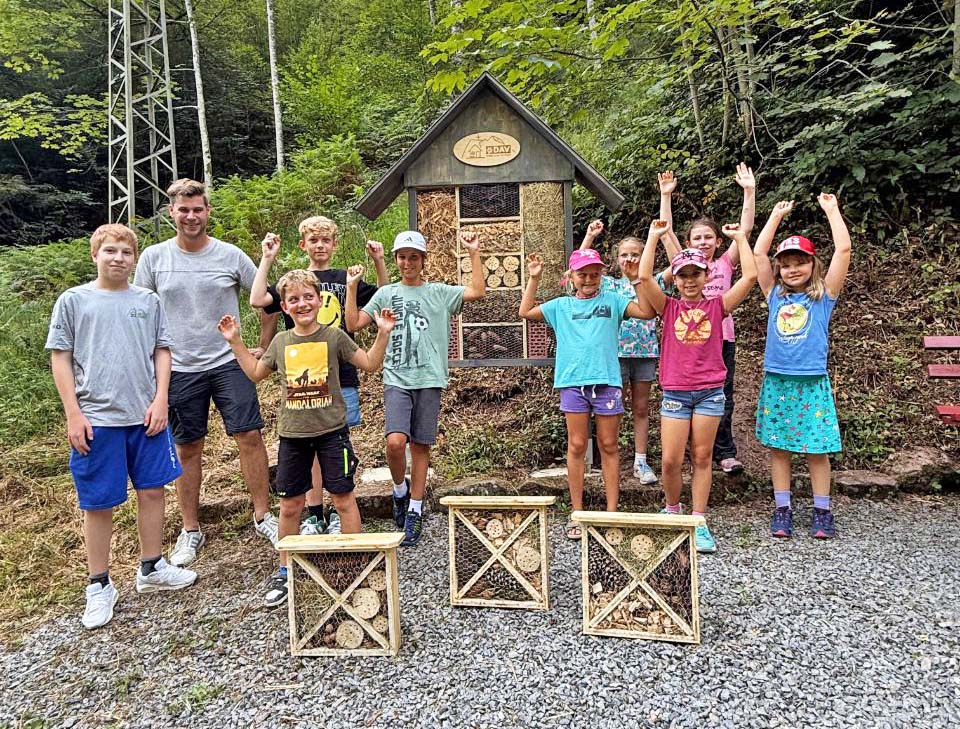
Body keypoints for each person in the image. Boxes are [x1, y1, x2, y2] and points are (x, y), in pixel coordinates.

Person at [47, 224, 197, 629]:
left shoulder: (147, 300)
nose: (118, 258)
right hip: (97, 420)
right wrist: (73, 413)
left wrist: (161, 399)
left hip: (145, 416)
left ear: (135, 258)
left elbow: (162, 350)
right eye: (110, 250)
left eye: (126, 252)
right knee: (99, 502)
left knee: (153, 490)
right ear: (95, 255)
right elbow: (60, 357)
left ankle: (152, 566)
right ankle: (99, 584)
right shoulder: (74, 300)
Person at [218, 269, 395, 606]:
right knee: (290, 506)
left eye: (308, 297)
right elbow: (255, 374)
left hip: (333, 434)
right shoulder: (281, 342)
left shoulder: (334, 336)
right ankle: (286, 571)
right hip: (293, 437)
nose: (302, 304)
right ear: (284, 307)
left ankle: (353, 565)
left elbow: (370, 363)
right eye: (294, 299)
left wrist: (383, 333)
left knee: (343, 499)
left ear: (320, 300)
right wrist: (235, 341)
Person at [133, 178, 277, 567]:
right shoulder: (154, 259)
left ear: (207, 211)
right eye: (184, 210)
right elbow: (140, 314)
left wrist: (263, 346)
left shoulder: (230, 255)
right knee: (187, 446)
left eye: (198, 209)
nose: (191, 216)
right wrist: (149, 367)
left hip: (229, 361)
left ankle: (263, 515)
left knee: (249, 435)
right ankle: (190, 529)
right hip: (179, 366)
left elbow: (267, 301)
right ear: (171, 212)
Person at [346, 229, 486, 547]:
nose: (407, 263)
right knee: (395, 443)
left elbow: (477, 291)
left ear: (423, 260)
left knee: (421, 446)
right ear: (396, 260)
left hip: (430, 378)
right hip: (396, 377)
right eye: (402, 257)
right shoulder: (386, 293)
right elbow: (353, 324)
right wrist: (352, 287)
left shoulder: (438, 292)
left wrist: (474, 252)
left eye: (413, 257)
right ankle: (400, 490)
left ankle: (415, 509)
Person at [250, 217, 388, 535]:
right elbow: (258, 299)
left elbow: (383, 296)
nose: (320, 246)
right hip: (301, 378)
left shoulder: (343, 277)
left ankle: (339, 508)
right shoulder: (294, 283)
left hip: (341, 373)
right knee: (308, 446)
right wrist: (267, 257)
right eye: (313, 240)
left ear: (334, 245)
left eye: (326, 240)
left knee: (335, 442)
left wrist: (379, 261)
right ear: (303, 245)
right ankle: (315, 513)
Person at [636, 219, 757, 553]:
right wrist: (653, 237)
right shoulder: (668, 307)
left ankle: (699, 520)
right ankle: (672, 509)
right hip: (676, 392)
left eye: (696, 274)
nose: (689, 281)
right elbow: (644, 277)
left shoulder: (719, 306)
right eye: (683, 275)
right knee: (670, 461)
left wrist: (740, 239)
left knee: (702, 457)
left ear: (707, 276)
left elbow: (749, 277)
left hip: (709, 392)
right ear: (675, 279)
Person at [519, 247, 654, 539]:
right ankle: (577, 513)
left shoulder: (613, 301)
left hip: (607, 381)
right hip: (572, 382)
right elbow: (525, 311)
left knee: (609, 445)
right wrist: (534, 278)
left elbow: (646, 312)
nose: (589, 279)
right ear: (571, 276)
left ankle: (612, 513)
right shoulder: (561, 306)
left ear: (601, 275)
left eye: (594, 274)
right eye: (583, 274)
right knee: (577, 445)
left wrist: (636, 280)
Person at [752, 194, 851, 539]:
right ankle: (783, 508)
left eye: (800, 263)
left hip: (812, 382)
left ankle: (822, 511)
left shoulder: (823, 296)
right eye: (786, 264)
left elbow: (843, 251)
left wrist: (832, 211)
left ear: (813, 264)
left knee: (817, 450)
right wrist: (775, 217)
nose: (793, 269)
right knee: (780, 448)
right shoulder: (774, 295)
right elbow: (758, 254)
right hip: (778, 380)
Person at [658, 164, 756, 474]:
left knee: (723, 394)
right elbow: (665, 233)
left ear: (717, 241)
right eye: (697, 238)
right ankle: (693, 449)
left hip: (721, 338)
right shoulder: (685, 265)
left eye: (708, 237)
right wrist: (665, 196)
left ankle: (724, 452)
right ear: (689, 243)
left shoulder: (725, 263)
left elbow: (745, 232)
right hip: (688, 342)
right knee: (689, 395)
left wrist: (749, 191)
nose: (702, 242)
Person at [579, 219, 681, 485]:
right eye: (624, 255)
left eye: (635, 254)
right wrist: (590, 237)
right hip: (614, 355)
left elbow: (678, 265)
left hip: (645, 353)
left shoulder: (652, 281)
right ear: (616, 259)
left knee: (641, 408)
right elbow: (579, 267)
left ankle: (640, 461)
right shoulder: (608, 285)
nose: (629, 259)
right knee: (611, 409)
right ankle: (609, 460)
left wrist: (659, 236)